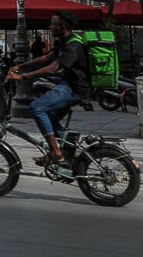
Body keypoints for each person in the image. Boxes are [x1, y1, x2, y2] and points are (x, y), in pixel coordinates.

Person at [7, 10, 91, 167]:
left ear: (63, 26)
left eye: (53, 24)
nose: (50, 27)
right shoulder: (63, 41)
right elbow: (45, 58)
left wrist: (23, 77)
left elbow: (52, 68)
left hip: (75, 89)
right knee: (51, 118)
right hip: (68, 85)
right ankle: (69, 152)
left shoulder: (73, 45)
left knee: (37, 108)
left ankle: (56, 153)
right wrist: (19, 66)